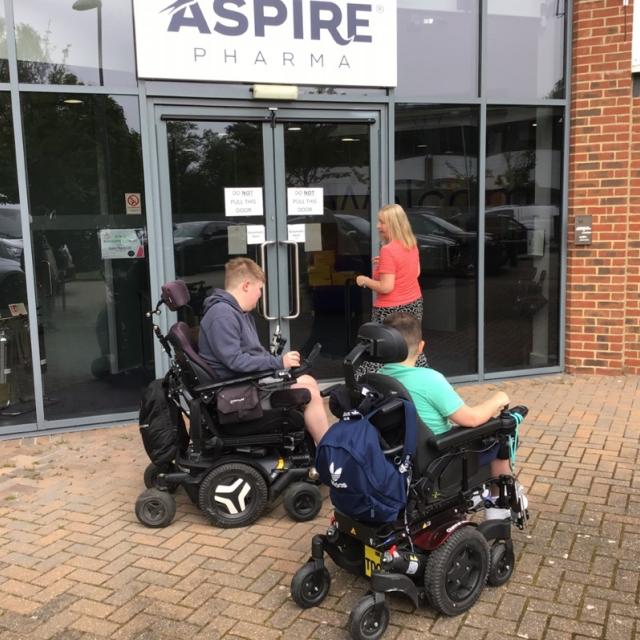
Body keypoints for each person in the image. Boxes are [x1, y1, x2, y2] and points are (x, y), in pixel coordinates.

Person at [379, 312, 527, 520]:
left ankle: (478, 493)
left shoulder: (376, 380)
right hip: (436, 461)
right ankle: (498, 507)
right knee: (499, 437)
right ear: (421, 347)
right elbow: (472, 419)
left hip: (396, 457)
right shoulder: (429, 379)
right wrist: (497, 400)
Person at [198, 257, 329, 444]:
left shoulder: (237, 313)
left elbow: (249, 355)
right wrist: (277, 363)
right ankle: (328, 455)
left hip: (245, 382)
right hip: (238, 392)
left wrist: (278, 367)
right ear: (245, 286)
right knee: (311, 393)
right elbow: (235, 361)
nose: (260, 294)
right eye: (259, 289)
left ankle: (319, 449)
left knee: (308, 381)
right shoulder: (222, 315)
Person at [355, 204, 428, 371]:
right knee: (411, 348)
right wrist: (386, 266)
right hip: (414, 304)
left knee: (379, 350)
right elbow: (415, 272)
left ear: (394, 223)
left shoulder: (388, 250)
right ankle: (422, 379)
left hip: (391, 309)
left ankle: (363, 387)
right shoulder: (411, 244)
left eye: (382, 222)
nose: (377, 226)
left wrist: (364, 280)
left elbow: (386, 287)